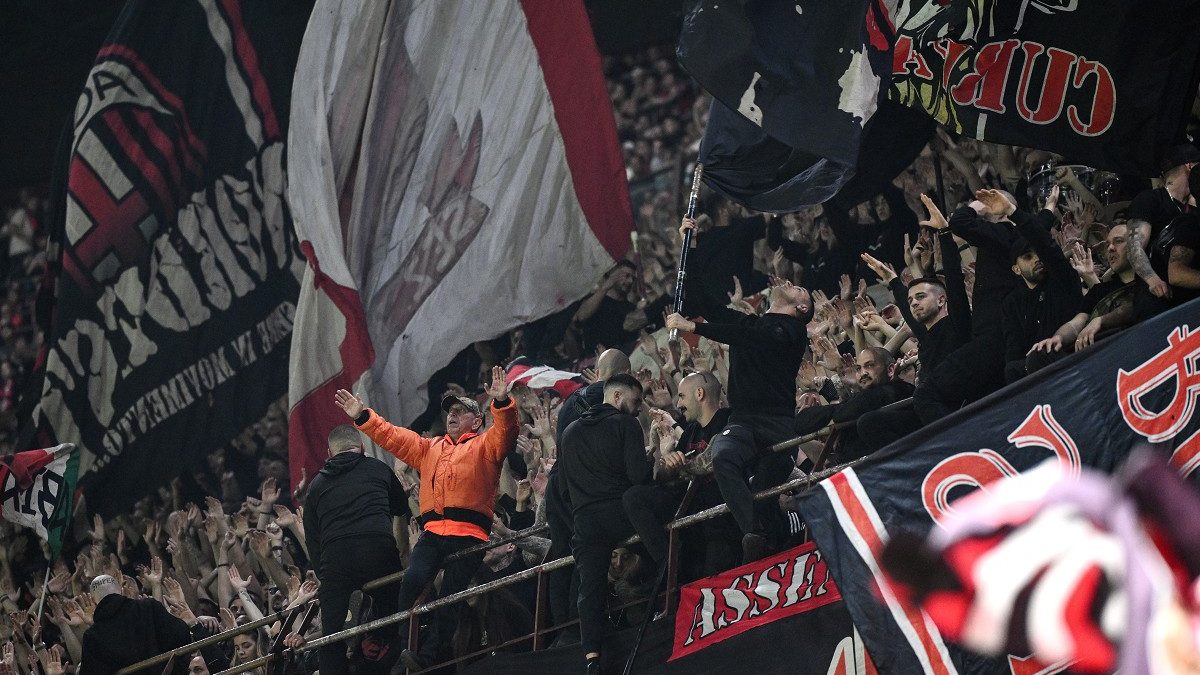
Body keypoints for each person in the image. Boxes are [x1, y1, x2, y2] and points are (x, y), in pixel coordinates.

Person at [334, 366, 518, 671]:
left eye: (462, 410)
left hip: (470, 534)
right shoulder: (430, 448)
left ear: (478, 420)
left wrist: (502, 402)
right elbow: (393, 437)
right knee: (410, 586)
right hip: (433, 533)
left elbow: (507, 432)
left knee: (450, 600)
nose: (453, 414)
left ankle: (425, 657)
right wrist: (362, 416)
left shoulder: (486, 445)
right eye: (450, 410)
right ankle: (407, 647)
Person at [665, 272, 812, 563]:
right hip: (743, 420)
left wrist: (694, 327)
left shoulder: (793, 330)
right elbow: (710, 304)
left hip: (778, 424)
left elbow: (751, 336)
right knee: (723, 457)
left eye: (797, 287)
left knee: (763, 492)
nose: (787, 282)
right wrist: (691, 243)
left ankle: (788, 536)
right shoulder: (752, 325)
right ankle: (754, 535)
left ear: (802, 308)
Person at [557, 374, 653, 674]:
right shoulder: (626, 424)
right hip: (621, 515)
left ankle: (592, 659)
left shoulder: (569, 433)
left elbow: (562, 491)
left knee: (590, 589)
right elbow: (639, 478)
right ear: (616, 397)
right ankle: (669, 602)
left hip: (585, 523)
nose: (638, 409)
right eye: (636, 401)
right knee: (655, 549)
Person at [302, 424, 408, 675]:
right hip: (379, 552)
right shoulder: (378, 468)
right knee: (395, 613)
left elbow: (312, 540)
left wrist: (325, 574)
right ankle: (397, 663)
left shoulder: (316, 486)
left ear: (329, 453)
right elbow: (400, 506)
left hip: (337, 562)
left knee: (331, 636)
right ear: (361, 447)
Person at [545, 348, 631, 645]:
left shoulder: (572, 401)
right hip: (581, 484)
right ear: (625, 376)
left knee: (561, 553)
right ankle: (575, 629)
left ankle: (561, 631)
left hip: (557, 482)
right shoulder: (611, 402)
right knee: (584, 551)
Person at [623, 371, 736, 579]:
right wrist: (665, 457)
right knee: (634, 496)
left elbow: (710, 461)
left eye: (682, 396)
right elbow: (662, 478)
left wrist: (680, 466)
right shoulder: (691, 430)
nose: (679, 403)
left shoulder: (728, 420)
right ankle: (667, 563)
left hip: (721, 520)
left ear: (699, 394)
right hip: (692, 516)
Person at [991, 187, 1083, 382]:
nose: (1037, 259)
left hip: (1071, 360)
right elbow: (1013, 351)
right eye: (1027, 256)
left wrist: (1012, 212)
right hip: (1033, 375)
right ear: (1016, 269)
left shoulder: (1060, 280)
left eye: (1037, 253)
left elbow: (1045, 245)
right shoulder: (1012, 303)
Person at [1027, 223, 1139, 368]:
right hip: (1097, 356)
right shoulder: (1099, 290)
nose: (1111, 248)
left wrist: (1101, 320)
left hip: (1132, 345)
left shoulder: (1151, 281)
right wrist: (1057, 338)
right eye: (1107, 244)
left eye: (1118, 241)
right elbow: (1076, 324)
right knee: (1040, 355)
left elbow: (1140, 305)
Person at [797, 347, 914, 463]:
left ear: (890, 370)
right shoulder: (863, 397)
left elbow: (842, 414)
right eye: (858, 369)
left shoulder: (901, 390)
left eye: (869, 365)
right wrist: (856, 389)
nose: (862, 373)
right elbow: (802, 425)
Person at [80, 575, 196, 675]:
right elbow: (181, 636)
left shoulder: (92, 636)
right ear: (120, 590)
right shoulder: (149, 607)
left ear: (93, 600)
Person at [572, 261, 641, 353]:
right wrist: (605, 287)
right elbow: (581, 316)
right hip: (596, 359)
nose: (630, 281)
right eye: (626, 276)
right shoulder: (594, 300)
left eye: (633, 278)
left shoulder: (631, 308)